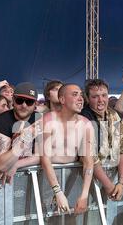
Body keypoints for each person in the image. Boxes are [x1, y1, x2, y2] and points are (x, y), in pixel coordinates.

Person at [40, 84, 95, 214]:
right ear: (62, 100)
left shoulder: (86, 124)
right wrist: (57, 192)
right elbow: (44, 158)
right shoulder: (48, 119)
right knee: (45, 219)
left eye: (81, 94)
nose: (80, 98)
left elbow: (89, 161)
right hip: (46, 181)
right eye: (75, 94)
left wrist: (84, 195)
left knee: (69, 221)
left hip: (71, 182)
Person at [80, 79, 123, 201]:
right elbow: (89, 156)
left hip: (114, 178)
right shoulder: (83, 118)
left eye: (104, 95)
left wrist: (122, 181)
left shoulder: (116, 116)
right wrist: (108, 185)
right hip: (85, 178)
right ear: (87, 98)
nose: (101, 100)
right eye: (95, 97)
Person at [0, 82, 41, 184]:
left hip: (31, 179)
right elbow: (3, 165)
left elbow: (41, 156)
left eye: (29, 102)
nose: (24, 105)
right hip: (2, 181)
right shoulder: (2, 121)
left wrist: (17, 164)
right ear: (13, 100)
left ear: (35, 104)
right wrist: (26, 136)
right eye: (19, 100)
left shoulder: (40, 119)